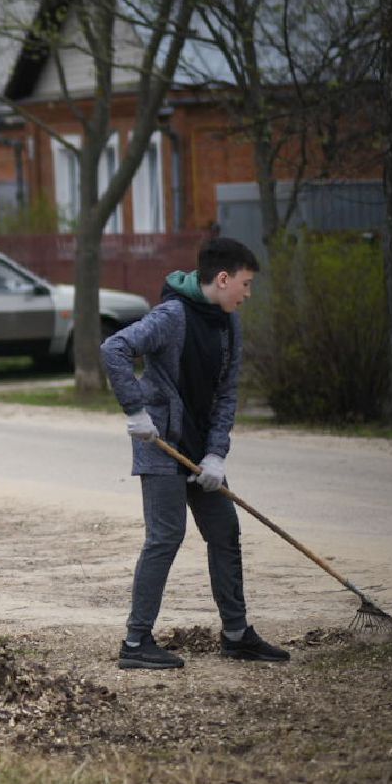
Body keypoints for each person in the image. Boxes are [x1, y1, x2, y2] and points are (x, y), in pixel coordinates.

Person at [101, 236, 289, 670]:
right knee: (166, 536)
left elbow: (227, 393)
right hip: (160, 444)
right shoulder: (171, 315)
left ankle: (237, 635)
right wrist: (135, 410)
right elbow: (115, 348)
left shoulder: (229, 324)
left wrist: (217, 455)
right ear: (222, 279)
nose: (247, 294)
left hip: (202, 453)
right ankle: (136, 642)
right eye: (245, 283)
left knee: (225, 532)